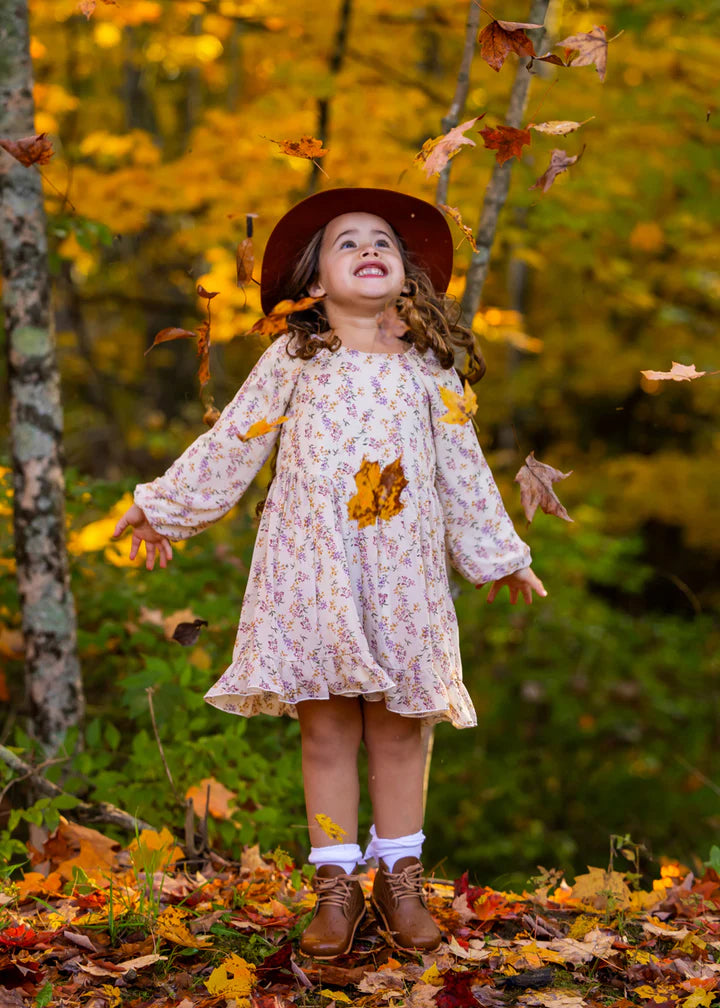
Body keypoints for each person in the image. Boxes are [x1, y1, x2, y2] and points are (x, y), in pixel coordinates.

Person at [112, 187, 546, 959]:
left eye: (382, 240)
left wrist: (499, 556)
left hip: (402, 575)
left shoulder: (429, 366)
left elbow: (464, 470)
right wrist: (164, 508)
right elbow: (235, 441)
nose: (369, 248)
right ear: (314, 280)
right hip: (312, 569)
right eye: (347, 242)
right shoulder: (294, 357)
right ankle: (336, 888)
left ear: (406, 271)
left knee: (401, 727)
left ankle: (401, 879)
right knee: (327, 729)